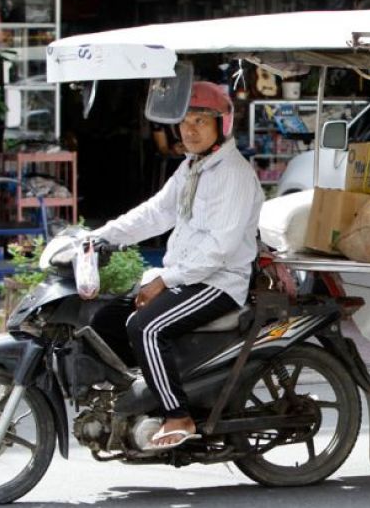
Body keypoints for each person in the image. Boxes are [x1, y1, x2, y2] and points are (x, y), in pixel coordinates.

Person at [93, 81, 264, 450]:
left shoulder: (232, 174)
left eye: (201, 121)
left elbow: (219, 249)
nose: (190, 129)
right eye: (185, 121)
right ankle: (143, 396)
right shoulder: (192, 167)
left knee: (146, 327)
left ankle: (178, 415)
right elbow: (157, 213)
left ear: (223, 125)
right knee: (104, 319)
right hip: (187, 276)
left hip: (218, 282)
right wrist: (101, 236)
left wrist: (165, 279)